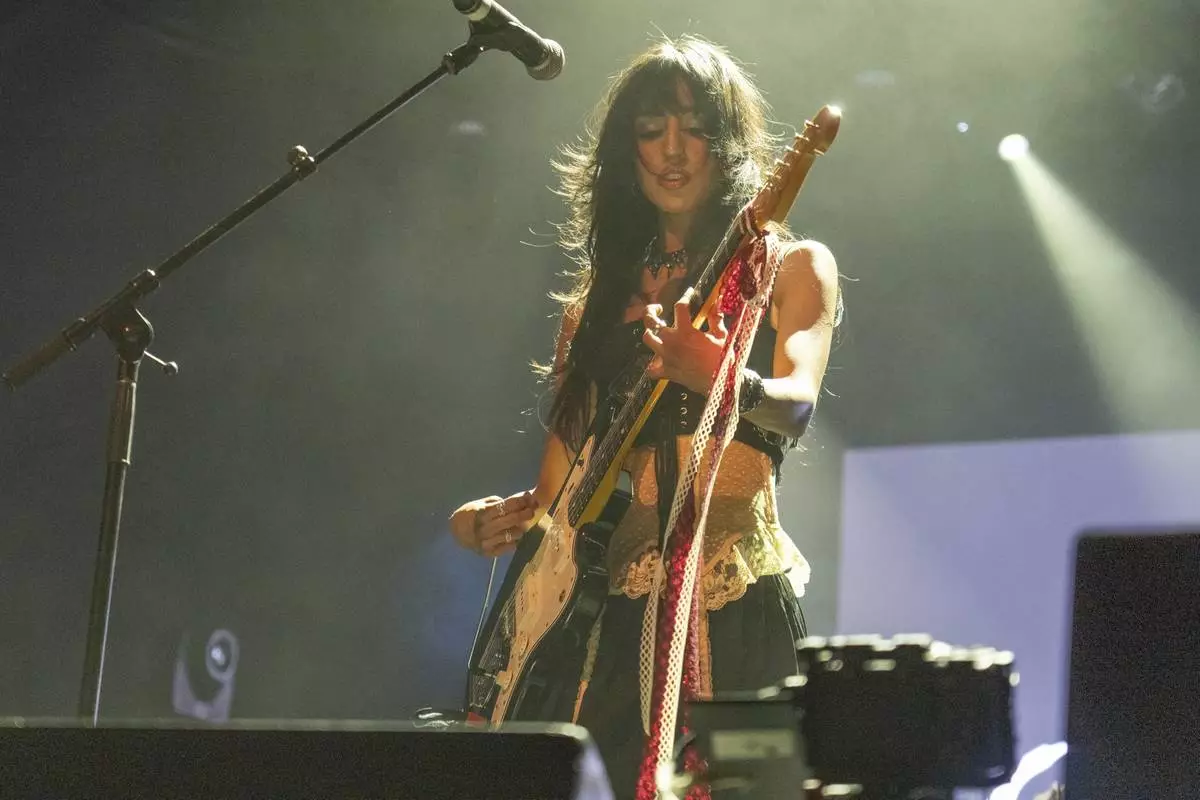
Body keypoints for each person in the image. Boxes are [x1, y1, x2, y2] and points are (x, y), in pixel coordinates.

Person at [448, 34, 841, 797]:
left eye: (693, 128)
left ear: (727, 144)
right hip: (606, 616)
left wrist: (722, 380)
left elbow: (795, 407)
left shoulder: (791, 268)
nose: (672, 150)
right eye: (650, 129)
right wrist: (490, 521)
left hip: (730, 601)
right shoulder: (594, 304)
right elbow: (562, 501)